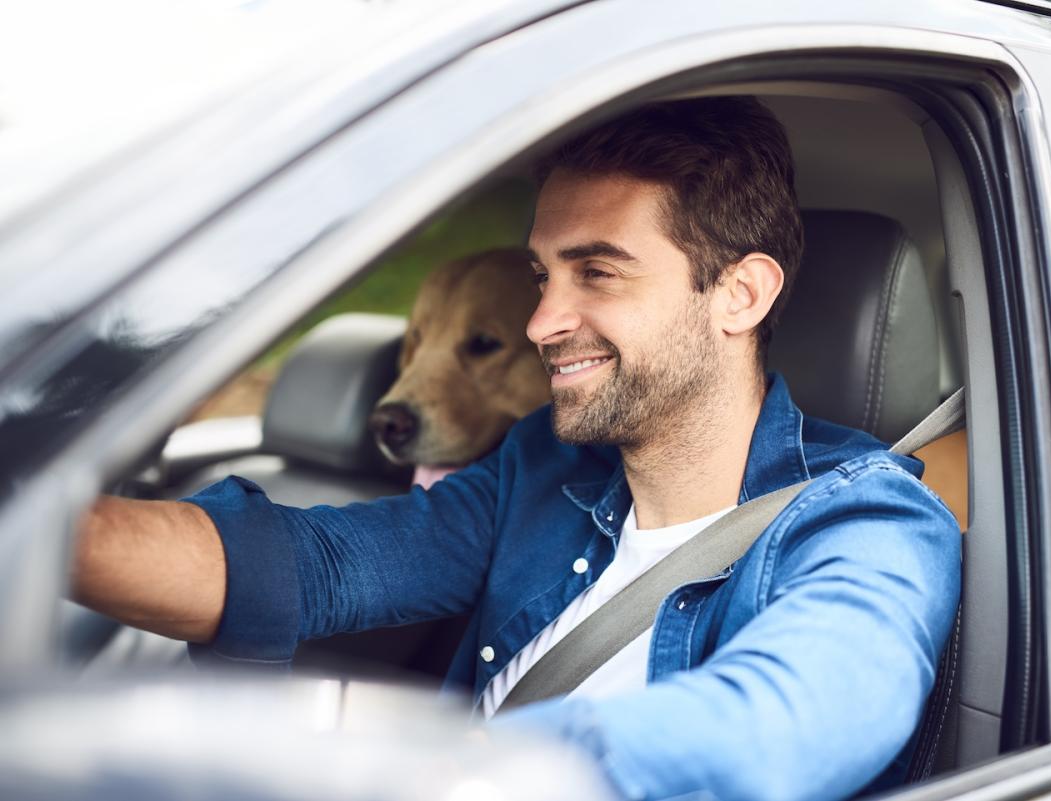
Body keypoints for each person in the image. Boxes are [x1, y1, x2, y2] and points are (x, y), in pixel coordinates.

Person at [73, 97, 961, 801]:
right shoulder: (542, 468)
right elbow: (316, 565)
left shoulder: (868, 516)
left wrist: (426, 767)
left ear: (741, 294)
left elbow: (785, 725)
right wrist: (54, 538)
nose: (540, 322)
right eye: (544, 275)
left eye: (597, 271)